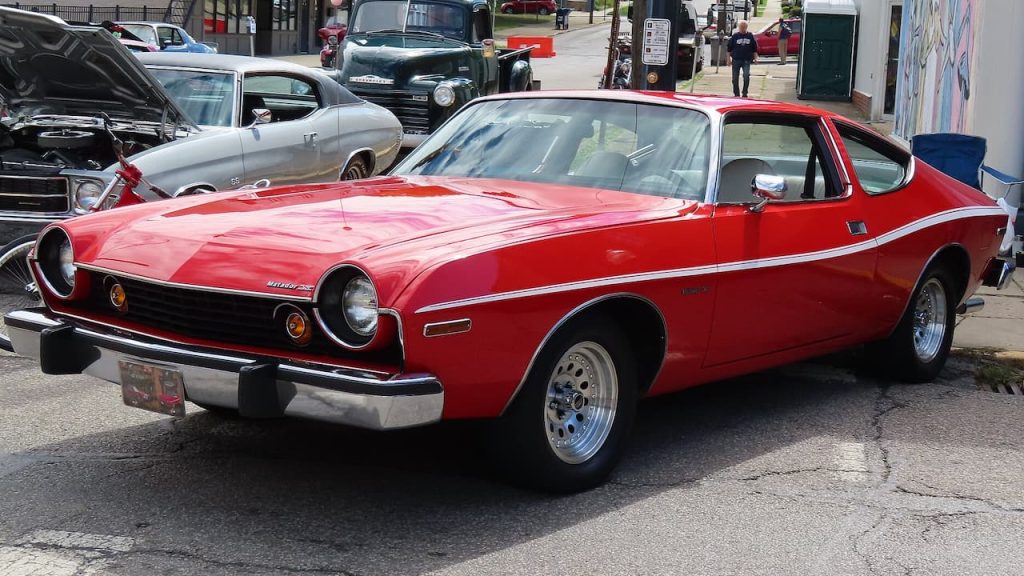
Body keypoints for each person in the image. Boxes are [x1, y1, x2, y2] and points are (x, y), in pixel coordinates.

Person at [727, 20, 758, 98]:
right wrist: (728, 59)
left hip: (746, 60)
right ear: (739, 27)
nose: (742, 29)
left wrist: (755, 58)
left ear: (746, 27)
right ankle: (736, 94)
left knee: (746, 76)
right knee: (735, 78)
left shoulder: (750, 36)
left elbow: (754, 48)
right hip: (736, 59)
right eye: (741, 27)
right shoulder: (735, 36)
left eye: (744, 27)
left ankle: (745, 93)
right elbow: (729, 49)